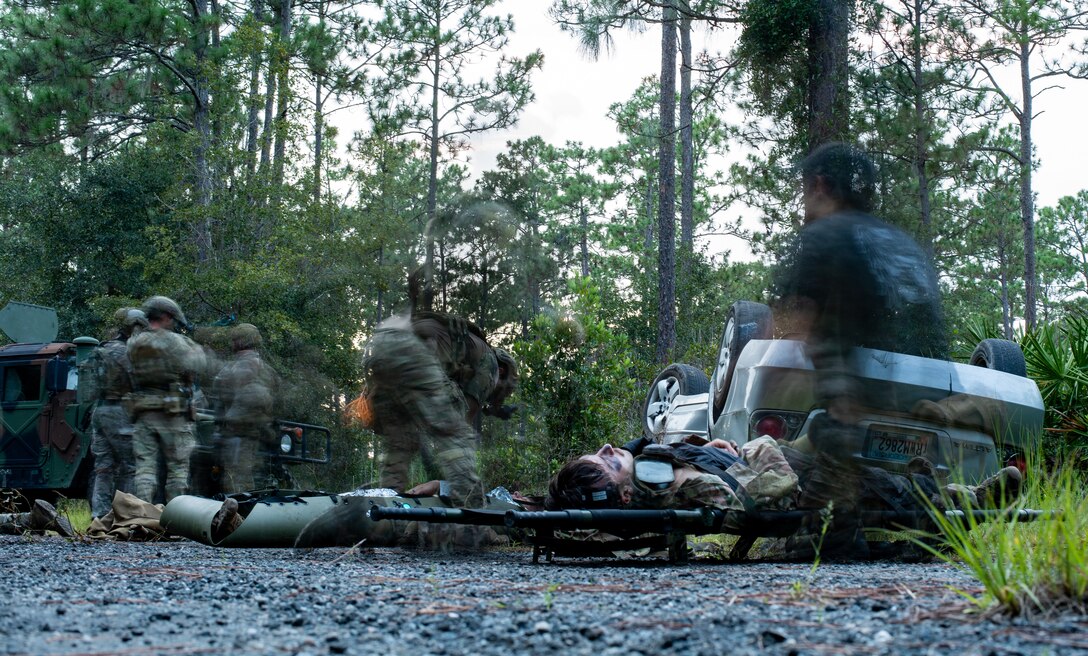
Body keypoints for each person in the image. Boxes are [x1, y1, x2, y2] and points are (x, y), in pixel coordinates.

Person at [772, 142, 947, 458]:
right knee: (906, 494)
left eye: (804, 189)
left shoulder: (824, 235)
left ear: (819, 184)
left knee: (815, 489)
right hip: (925, 409)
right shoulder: (904, 245)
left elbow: (803, 321)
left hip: (848, 418)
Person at [360, 310, 517, 507]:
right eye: (502, 390)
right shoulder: (492, 364)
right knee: (456, 432)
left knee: (401, 442)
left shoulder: (464, 348)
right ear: (502, 371)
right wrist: (443, 481)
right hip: (410, 351)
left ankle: (387, 505)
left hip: (379, 349)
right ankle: (472, 516)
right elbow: (458, 422)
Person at [126, 296, 206, 503]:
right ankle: (174, 520)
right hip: (174, 415)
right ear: (167, 316)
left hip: (144, 412)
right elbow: (199, 364)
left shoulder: (134, 343)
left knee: (144, 469)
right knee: (178, 469)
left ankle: (142, 517)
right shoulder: (178, 342)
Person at [89, 307, 148, 518]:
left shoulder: (101, 348)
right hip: (118, 411)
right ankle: (128, 515)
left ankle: (99, 514)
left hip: (99, 411)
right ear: (133, 327)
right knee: (132, 464)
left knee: (103, 467)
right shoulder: (125, 352)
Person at [213, 323, 277, 492]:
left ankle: (238, 515)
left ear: (239, 342)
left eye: (234, 340)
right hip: (257, 433)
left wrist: (220, 425)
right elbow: (277, 399)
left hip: (234, 432)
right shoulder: (269, 371)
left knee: (234, 478)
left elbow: (218, 398)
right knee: (250, 473)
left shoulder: (229, 370)